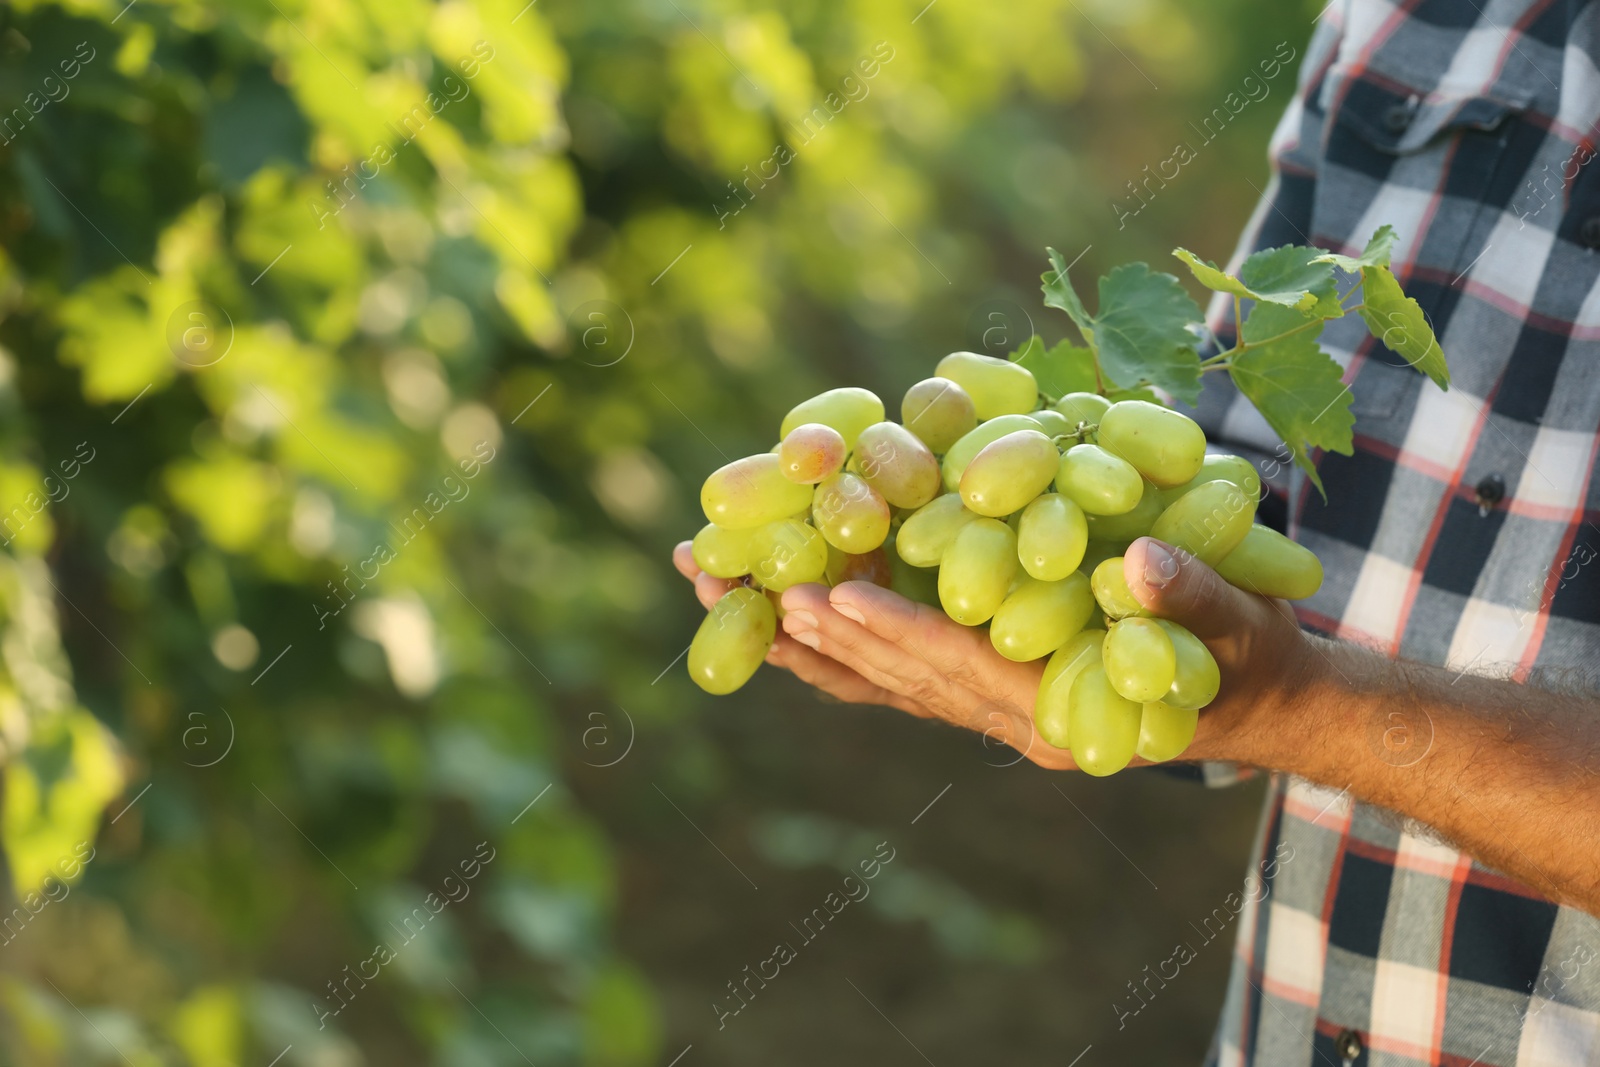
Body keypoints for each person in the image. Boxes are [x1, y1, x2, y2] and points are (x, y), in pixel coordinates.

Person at [676, 1, 1600, 1063]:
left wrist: (1304, 709)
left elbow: (1265, 676)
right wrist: (964, 598)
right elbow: (1201, 546)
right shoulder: (1404, 19)